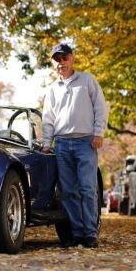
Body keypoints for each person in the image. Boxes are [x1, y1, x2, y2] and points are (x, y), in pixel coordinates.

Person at [41, 43, 108, 248]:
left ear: (72, 58)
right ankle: (77, 233)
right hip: (61, 144)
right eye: (57, 59)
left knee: (88, 189)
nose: (61, 62)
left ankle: (90, 234)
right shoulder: (52, 89)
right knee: (68, 191)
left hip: (85, 142)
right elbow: (48, 118)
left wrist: (98, 133)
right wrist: (46, 142)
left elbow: (101, 107)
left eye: (64, 58)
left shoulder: (87, 80)